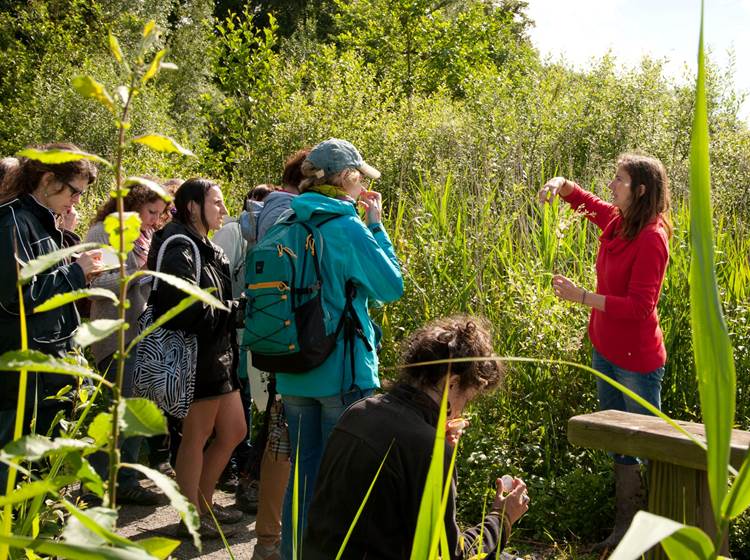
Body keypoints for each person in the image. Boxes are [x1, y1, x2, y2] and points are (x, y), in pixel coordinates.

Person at [303, 315, 530, 559]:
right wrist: (501, 518)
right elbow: (447, 555)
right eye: (467, 399)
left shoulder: (358, 412)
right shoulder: (428, 449)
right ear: (451, 384)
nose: (462, 410)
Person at [273, 138, 404, 560]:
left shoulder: (286, 222)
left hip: (291, 368)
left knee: (303, 478)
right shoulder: (347, 227)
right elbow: (390, 286)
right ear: (347, 178)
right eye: (359, 178)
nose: (362, 186)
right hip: (342, 372)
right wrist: (377, 225)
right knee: (344, 483)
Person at [538, 153, 671, 550]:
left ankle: (656, 536)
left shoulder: (651, 237)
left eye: (620, 180)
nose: (612, 186)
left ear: (641, 190)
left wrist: (582, 297)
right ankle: (624, 529)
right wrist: (561, 183)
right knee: (618, 440)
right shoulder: (621, 220)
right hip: (606, 351)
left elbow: (640, 307)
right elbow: (590, 205)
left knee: (644, 444)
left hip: (638, 364)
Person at [147, 178, 247, 537]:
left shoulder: (205, 246)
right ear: (192, 206)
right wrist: (233, 311)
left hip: (217, 354)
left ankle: (203, 506)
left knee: (235, 430)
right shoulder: (180, 245)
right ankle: (191, 519)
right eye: (216, 203)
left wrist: (230, 312)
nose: (223, 209)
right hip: (195, 356)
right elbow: (181, 308)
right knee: (197, 435)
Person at [0, 143, 102, 488]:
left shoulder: (45, 223)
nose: (77, 201)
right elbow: (16, 297)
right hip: (24, 382)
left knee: (45, 474)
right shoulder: (12, 222)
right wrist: (75, 273)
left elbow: (49, 292)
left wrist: (79, 274)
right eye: (74, 191)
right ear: (47, 179)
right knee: (16, 476)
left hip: (51, 373)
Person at [84, 181, 168, 505]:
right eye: (150, 212)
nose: (154, 221)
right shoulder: (103, 232)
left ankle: (125, 479)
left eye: (160, 215)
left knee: (135, 407)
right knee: (115, 408)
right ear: (133, 205)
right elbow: (97, 282)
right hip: (112, 333)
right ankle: (96, 483)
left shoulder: (146, 237)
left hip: (140, 333)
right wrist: (137, 271)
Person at [247, 150, 309, 560]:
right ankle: (274, 540)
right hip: (300, 347)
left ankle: (269, 539)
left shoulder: (267, 213)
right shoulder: (294, 215)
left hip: (273, 341)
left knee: (278, 436)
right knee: (285, 442)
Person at [212, 184, 276, 496]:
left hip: (254, 335)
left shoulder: (271, 238)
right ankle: (229, 470)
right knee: (237, 398)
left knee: (250, 400)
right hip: (233, 334)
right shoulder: (234, 232)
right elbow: (218, 283)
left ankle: (238, 467)